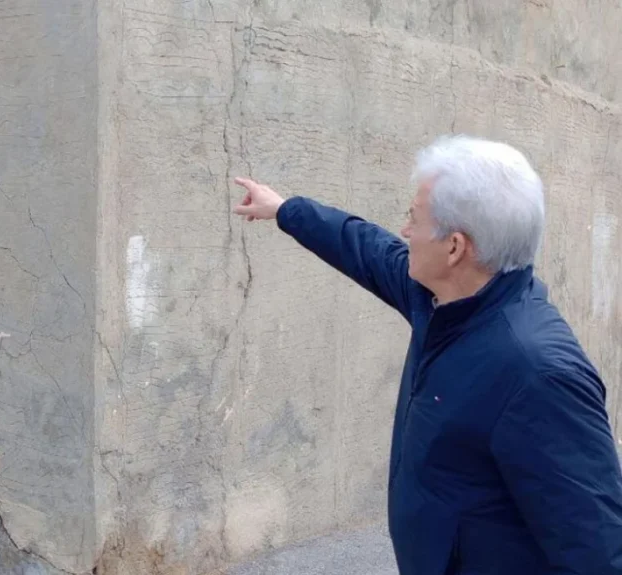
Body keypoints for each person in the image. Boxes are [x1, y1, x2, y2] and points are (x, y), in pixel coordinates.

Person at [233, 135, 622, 575]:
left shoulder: (537, 372)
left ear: (455, 247)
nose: (405, 231)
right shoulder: (441, 301)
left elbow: (598, 550)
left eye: (414, 218)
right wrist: (285, 210)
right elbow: (367, 248)